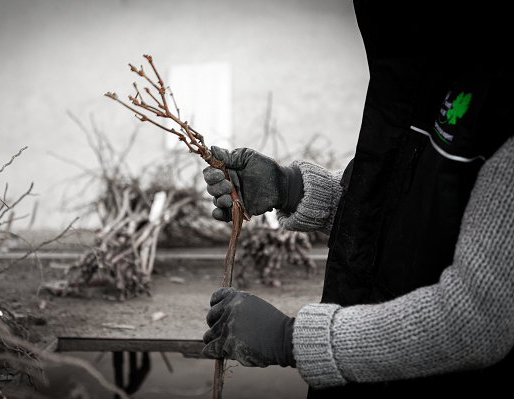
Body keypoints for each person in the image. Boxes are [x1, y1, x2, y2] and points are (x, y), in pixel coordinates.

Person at [200, 1, 513, 395]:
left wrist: (290, 338)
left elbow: (479, 318)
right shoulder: (420, 66)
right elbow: (415, 214)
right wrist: (290, 188)